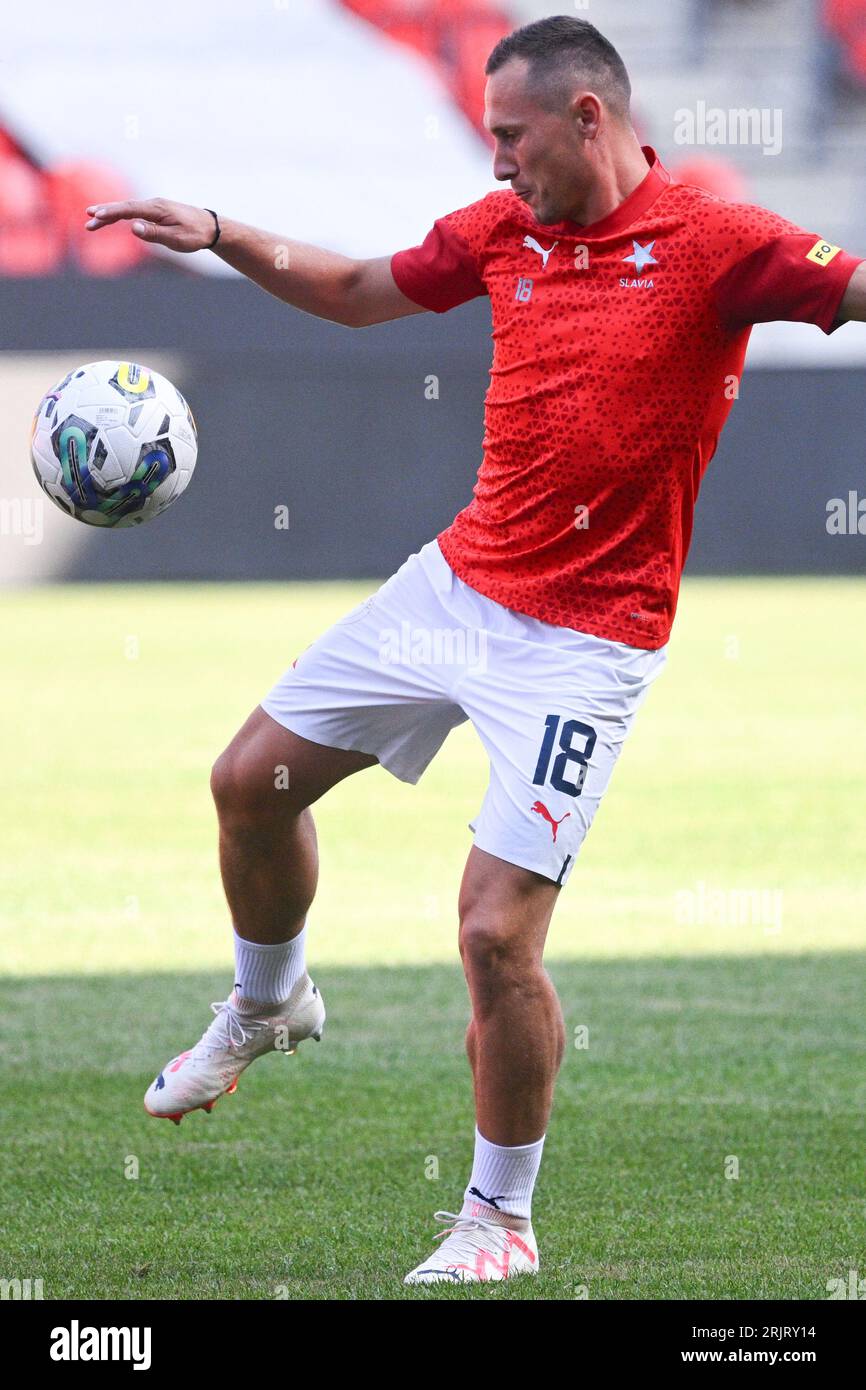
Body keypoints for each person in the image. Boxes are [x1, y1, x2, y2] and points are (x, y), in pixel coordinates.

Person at [85, 14, 866, 1286]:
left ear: (586, 119)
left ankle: (498, 1216)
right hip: (457, 584)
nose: (496, 163)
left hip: (586, 644)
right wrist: (222, 234)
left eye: (510, 136)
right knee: (247, 784)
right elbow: (351, 292)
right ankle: (269, 999)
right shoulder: (499, 233)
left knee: (495, 936)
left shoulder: (720, 244)